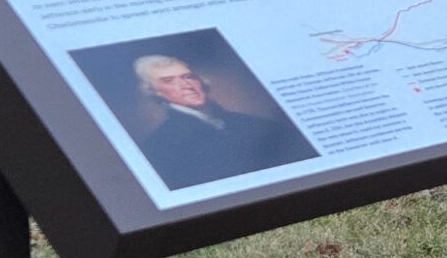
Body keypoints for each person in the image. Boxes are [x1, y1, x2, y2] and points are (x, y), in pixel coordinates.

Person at [127, 54, 314, 189]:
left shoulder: (255, 124)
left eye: (188, 76)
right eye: (168, 81)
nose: (185, 85)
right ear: (154, 91)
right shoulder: (158, 147)